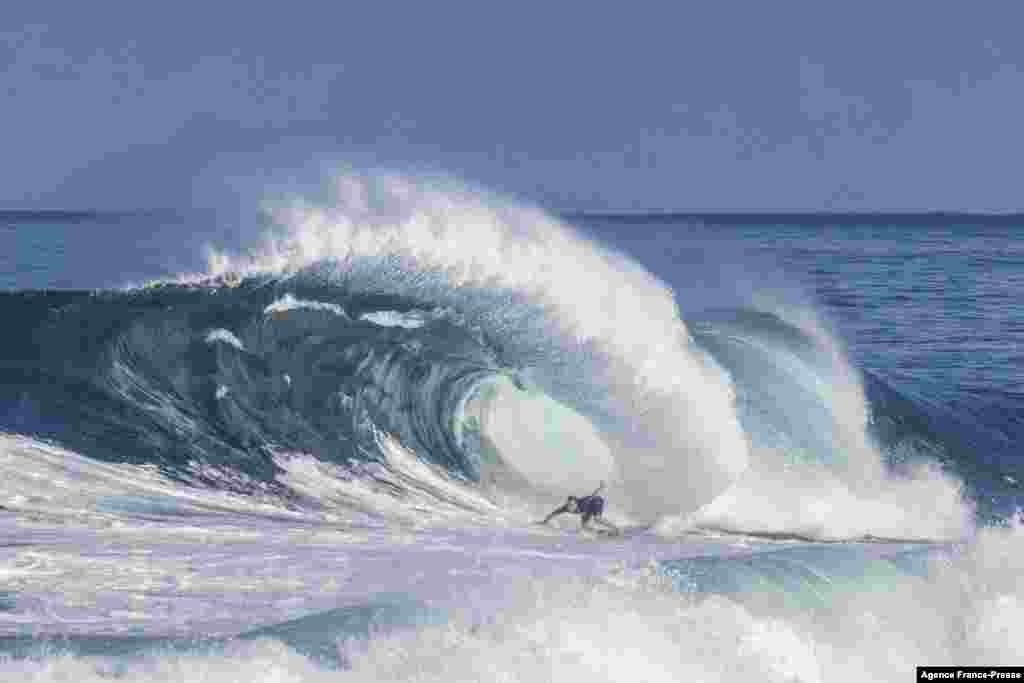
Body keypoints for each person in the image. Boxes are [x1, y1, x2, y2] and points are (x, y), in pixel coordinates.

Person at [539, 482, 619, 534]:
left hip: (596, 501)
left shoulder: (583, 502)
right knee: (584, 526)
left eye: (572, 505)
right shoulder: (565, 508)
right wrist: (544, 522)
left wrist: (601, 488)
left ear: (576, 503)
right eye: (569, 505)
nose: (571, 507)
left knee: (597, 519)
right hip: (587, 510)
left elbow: (593, 495)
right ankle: (601, 532)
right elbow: (553, 514)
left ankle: (615, 528)